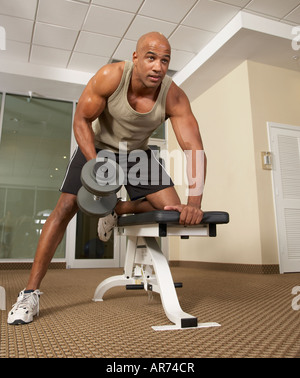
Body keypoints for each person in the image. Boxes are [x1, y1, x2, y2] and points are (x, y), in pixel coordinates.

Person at [7, 32, 206, 325]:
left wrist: (194, 202)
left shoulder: (173, 95)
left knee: (170, 212)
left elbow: (194, 148)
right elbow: (81, 120)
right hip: (97, 147)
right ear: (136, 58)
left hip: (137, 154)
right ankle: (30, 293)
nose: (158, 67)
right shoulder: (110, 76)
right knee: (64, 208)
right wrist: (96, 165)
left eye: (165, 61)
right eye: (151, 57)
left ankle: (118, 209)